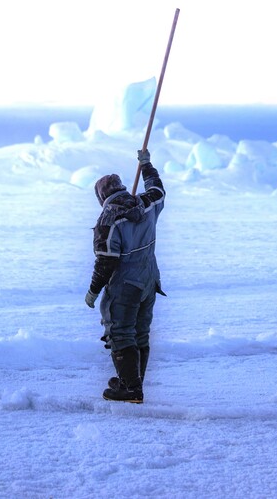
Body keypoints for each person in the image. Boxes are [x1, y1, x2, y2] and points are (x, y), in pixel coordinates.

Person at [84, 148, 166, 403]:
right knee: (140, 332)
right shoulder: (146, 202)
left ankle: (130, 389)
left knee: (120, 333)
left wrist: (93, 291)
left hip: (126, 285)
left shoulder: (108, 220)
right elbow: (159, 190)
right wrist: (147, 167)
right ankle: (132, 380)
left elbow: (106, 262)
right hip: (149, 279)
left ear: (102, 198)